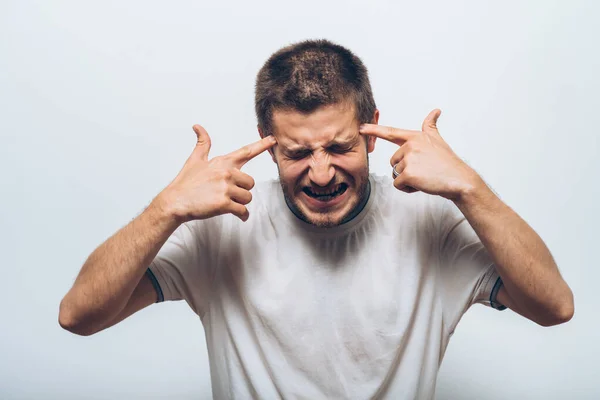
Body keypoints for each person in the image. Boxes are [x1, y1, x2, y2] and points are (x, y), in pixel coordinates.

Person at [59, 39, 574, 399]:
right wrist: (164, 209)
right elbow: (78, 316)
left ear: (372, 132)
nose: (322, 173)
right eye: (298, 152)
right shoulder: (223, 224)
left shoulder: (431, 224)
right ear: (267, 139)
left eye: (341, 146)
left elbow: (553, 306)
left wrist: (470, 188)